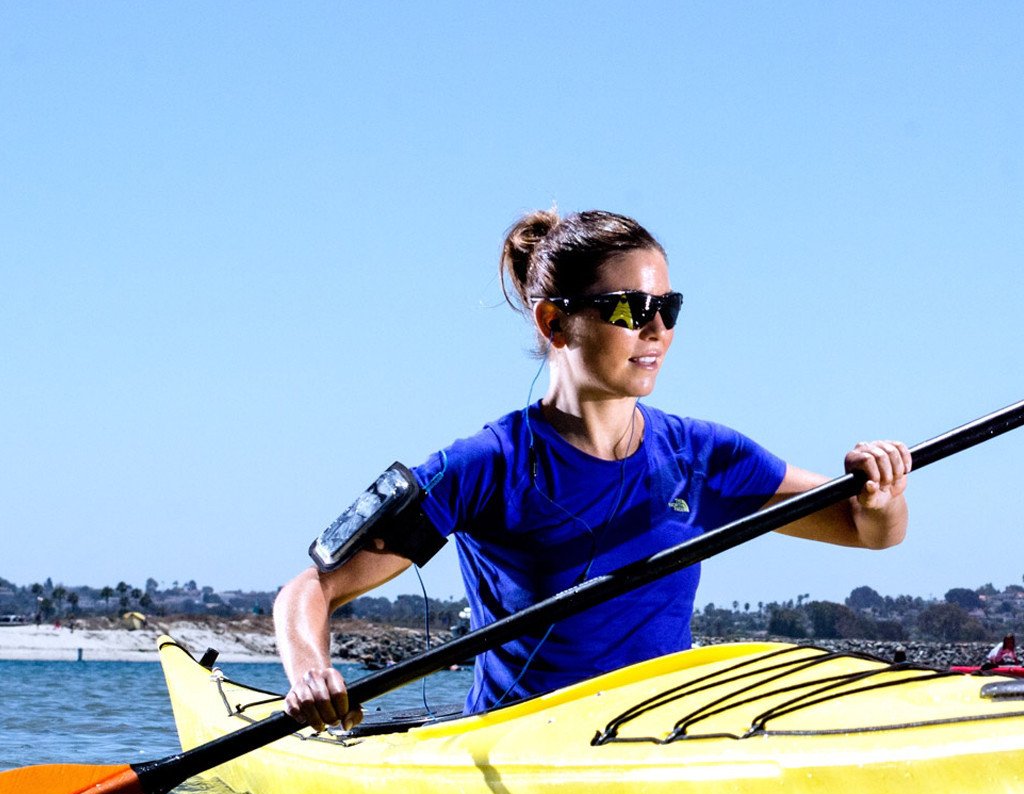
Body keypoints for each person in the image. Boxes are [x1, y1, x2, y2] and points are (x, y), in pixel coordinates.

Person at [274, 209, 910, 732]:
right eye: (631, 309)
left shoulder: (703, 456)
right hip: (521, 749)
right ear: (555, 322)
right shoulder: (486, 465)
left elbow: (868, 530)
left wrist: (881, 491)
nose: (657, 329)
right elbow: (312, 590)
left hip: (657, 737)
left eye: (670, 307)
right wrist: (310, 675)